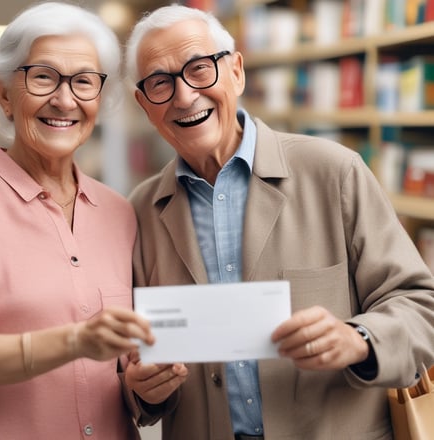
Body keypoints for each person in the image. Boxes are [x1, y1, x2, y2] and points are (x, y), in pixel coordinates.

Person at [121, 5, 434, 440]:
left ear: (236, 72)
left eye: (199, 69)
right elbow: (134, 363)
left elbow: (420, 303)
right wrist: (143, 390)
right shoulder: (139, 212)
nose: (184, 96)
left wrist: (359, 339)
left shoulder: (334, 172)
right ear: (144, 105)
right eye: (160, 82)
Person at [0, 3, 153, 439]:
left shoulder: (119, 212)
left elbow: (119, 369)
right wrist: (76, 341)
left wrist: (143, 387)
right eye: (43, 77)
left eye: (83, 82)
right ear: (4, 93)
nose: (65, 99)